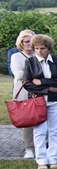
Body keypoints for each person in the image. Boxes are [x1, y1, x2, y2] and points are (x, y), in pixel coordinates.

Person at [22, 34, 57, 169]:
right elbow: (27, 83)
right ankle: (41, 159)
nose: (39, 51)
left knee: (54, 130)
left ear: (48, 48)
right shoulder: (30, 62)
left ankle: (53, 158)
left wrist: (42, 82)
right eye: (36, 48)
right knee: (39, 130)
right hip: (38, 100)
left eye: (42, 48)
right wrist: (49, 88)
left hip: (56, 100)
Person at [9, 29, 36, 159]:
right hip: (24, 92)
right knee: (28, 121)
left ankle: (43, 145)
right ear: (21, 43)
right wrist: (37, 77)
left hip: (40, 92)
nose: (29, 44)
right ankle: (29, 148)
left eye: (31, 41)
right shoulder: (16, 57)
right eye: (26, 42)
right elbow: (19, 74)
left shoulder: (39, 55)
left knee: (42, 119)